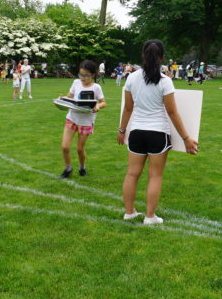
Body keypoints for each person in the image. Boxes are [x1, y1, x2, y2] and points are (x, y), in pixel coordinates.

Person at [118, 40, 199, 225]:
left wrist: (122, 130)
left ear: (143, 56)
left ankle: (129, 212)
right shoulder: (165, 81)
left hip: (137, 132)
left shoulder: (131, 78)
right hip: (158, 133)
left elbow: (128, 108)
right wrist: (186, 138)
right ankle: (150, 217)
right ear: (162, 57)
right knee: (155, 176)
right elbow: (172, 112)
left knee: (132, 174)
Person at [57, 60, 106, 178]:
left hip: (86, 122)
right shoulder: (76, 83)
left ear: (93, 75)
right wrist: (62, 99)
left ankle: (82, 167)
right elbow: (69, 97)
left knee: (79, 149)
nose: (82, 78)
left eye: (86, 75)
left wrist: (98, 106)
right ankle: (68, 169)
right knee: (65, 147)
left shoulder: (96, 87)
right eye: (80, 74)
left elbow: (103, 102)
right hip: (72, 118)